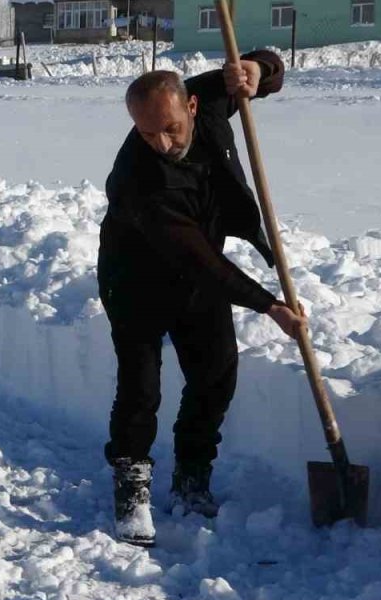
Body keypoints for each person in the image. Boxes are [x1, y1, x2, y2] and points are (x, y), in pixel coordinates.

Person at [98, 51, 306, 547]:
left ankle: (192, 476)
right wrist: (267, 303)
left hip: (195, 279)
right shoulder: (140, 179)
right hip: (135, 283)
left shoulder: (207, 100)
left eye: (170, 127)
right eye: (148, 134)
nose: (162, 143)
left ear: (191, 106)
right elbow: (199, 259)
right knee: (141, 388)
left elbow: (257, 70)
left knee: (215, 375)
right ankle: (132, 491)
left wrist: (258, 71)